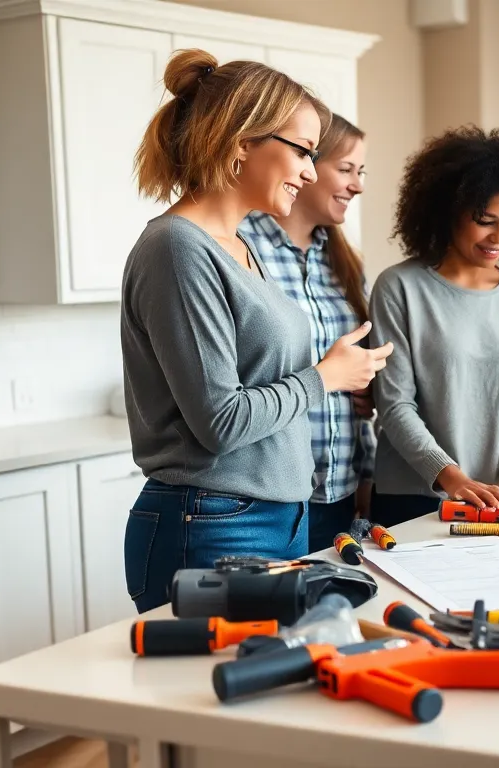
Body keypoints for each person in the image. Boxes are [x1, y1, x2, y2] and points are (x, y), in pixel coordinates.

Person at [120, 50, 393, 613]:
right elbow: (220, 421)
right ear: (242, 141)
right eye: (302, 151)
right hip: (214, 523)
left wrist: (337, 373)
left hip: (277, 517)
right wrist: (326, 376)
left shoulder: (240, 247)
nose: (311, 172)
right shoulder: (176, 249)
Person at [367, 126, 499, 526]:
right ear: (447, 211)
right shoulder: (399, 287)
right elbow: (394, 404)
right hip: (414, 498)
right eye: (485, 220)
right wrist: (451, 477)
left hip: (495, 496)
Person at [239, 112, 375, 553]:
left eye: (361, 173)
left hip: (341, 494)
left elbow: (356, 386)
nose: (357, 185)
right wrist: (327, 373)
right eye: (346, 169)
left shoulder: (344, 265)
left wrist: (366, 476)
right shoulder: (241, 249)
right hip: (267, 497)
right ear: (310, 166)